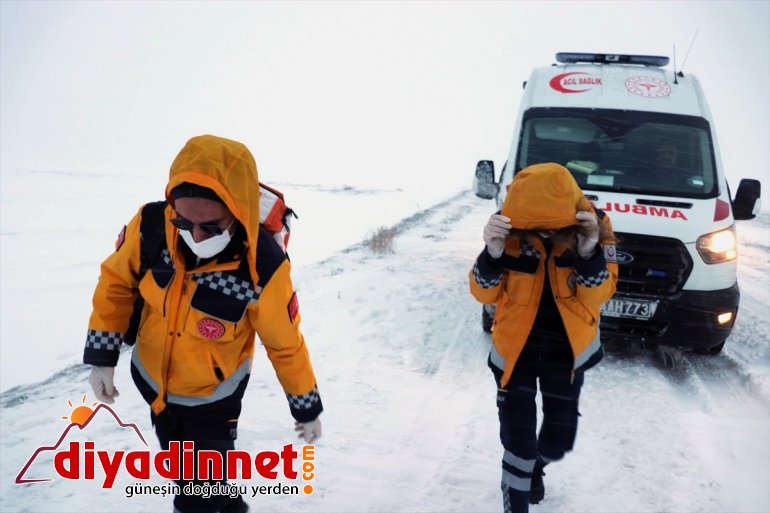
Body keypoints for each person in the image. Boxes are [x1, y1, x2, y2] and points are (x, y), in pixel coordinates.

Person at [83, 134, 323, 513]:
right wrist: (102, 356)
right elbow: (116, 283)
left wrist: (306, 407)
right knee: (192, 476)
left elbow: (284, 344)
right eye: (183, 221)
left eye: (210, 228)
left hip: (215, 399)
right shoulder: (150, 226)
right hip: (155, 387)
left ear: (238, 211)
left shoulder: (263, 267)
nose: (194, 237)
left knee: (195, 494)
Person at [469, 162, 618, 512]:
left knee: (557, 442)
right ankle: (516, 497)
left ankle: (538, 465)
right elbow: (483, 293)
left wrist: (588, 252)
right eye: (534, 229)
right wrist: (491, 251)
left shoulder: (596, 225)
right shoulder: (508, 226)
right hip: (515, 351)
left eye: (550, 228)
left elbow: (599, 295)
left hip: (566, 353)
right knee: (518, 443)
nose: (543, 235)